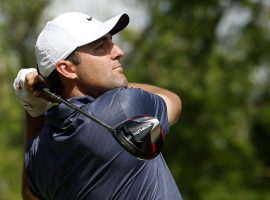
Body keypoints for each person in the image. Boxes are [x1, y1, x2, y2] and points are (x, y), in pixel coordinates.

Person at [13, 11, 182, 200]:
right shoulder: (125, 105)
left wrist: (33, 107)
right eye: (101, 47)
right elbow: (172, 99)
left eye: (111, 41)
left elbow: (28, 194)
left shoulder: (39, 151)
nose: (119, 52)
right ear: (67, 69)